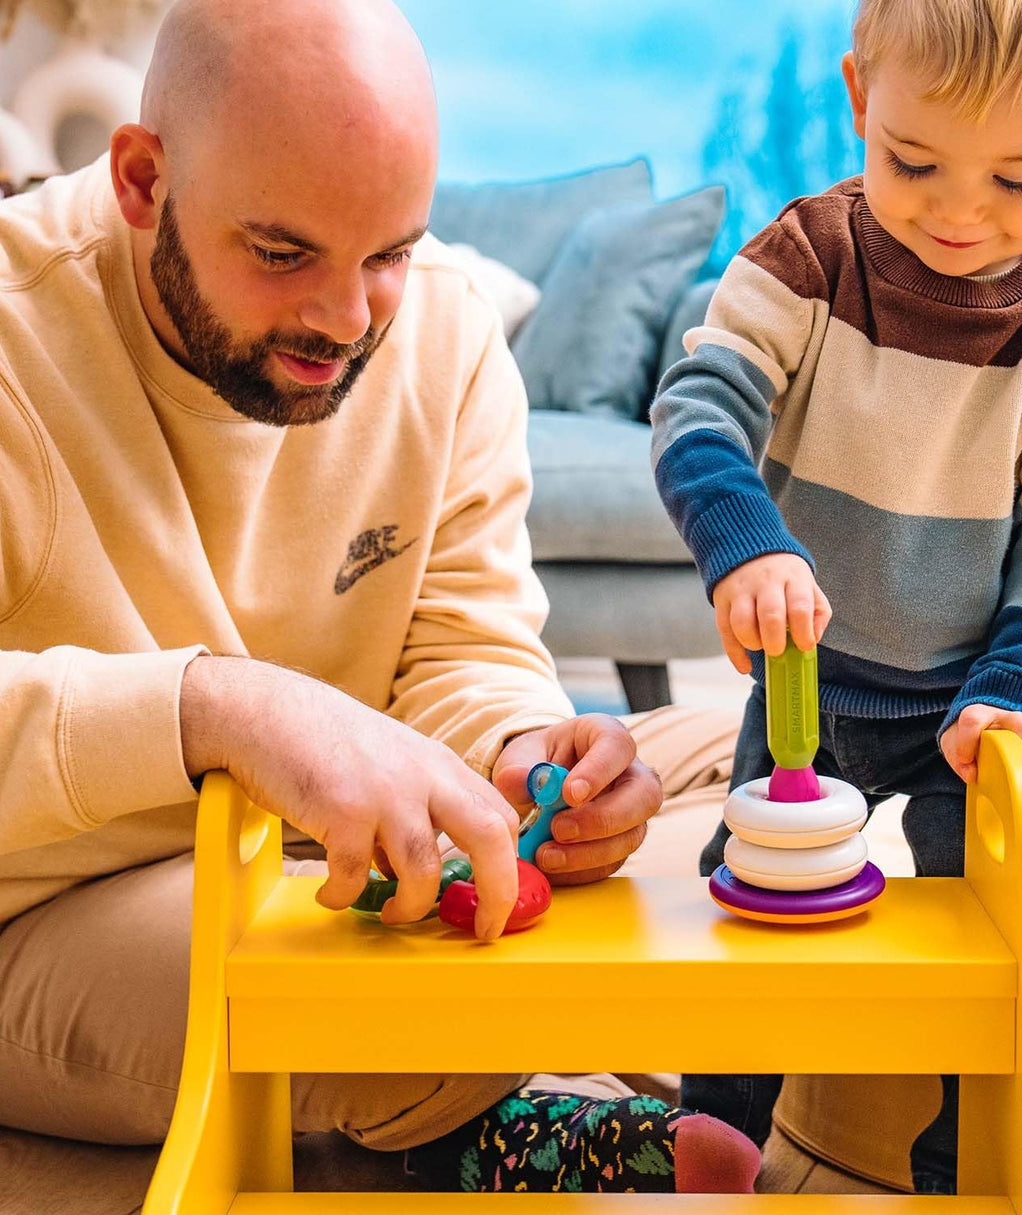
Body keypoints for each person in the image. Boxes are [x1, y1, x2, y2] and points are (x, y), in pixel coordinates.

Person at [0, 0, 763, 1195]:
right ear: (145, 181)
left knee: (759, 758)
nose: (347, 322)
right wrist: (222, 712)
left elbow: (465, 644)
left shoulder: (448, 334)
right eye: (282, 252)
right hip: (58, 907)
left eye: (388, 254)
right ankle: (514, 1111)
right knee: (393, 1002)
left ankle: (494, 1084)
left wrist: (521, 753)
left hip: (357, 858)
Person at [650, 0, 1022, 1194]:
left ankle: (958, 1167)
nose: (954, 209)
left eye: (1018, 177)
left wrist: (1016, 699)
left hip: (982, 706)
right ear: (858, 101)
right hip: (807, 686)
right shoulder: (810, 255)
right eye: (911, 160)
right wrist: (745, 546)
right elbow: (696, 408)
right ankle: (717, 1141)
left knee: (978, 943)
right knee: (749, 908)